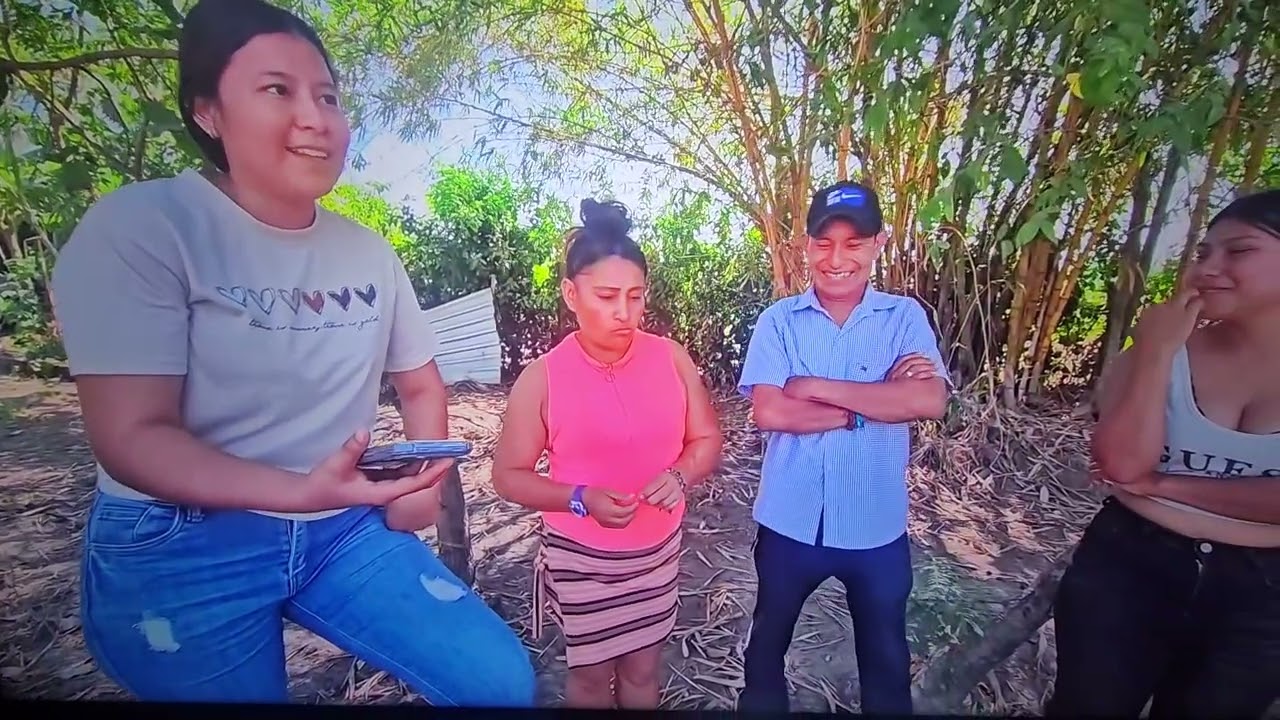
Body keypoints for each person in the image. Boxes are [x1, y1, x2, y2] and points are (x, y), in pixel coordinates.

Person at [49, 0, 534, 705]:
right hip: (180, 542)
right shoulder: (145, 228)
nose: (316, 117)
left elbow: (422, 386)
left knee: (498, 683)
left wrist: (424, 480)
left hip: (338, 527)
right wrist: (297, 491)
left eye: (328, 96)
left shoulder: (365, 252)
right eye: (278, 90)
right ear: (208, 112)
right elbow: (132, 437)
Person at [1048, 189, 1280, 718]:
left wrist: (1165, 486)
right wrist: (1155, 349)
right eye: (1202, 254)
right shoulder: (1164, 351)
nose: (1208, 268)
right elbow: (1123, 466)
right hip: (1130, 563)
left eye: (1238, 252)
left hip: (1265, 592)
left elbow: (1142, 479)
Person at [490, 199, 723, 709]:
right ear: (571, 294)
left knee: (643, 673)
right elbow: (508, 476)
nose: (625, 312)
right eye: (607, 295)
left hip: (656, 550)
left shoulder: (671, 358)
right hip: (582, 560)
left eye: (636, 297)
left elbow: (706, 439)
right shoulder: (543, 377)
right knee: (591, 680)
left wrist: (682, 475)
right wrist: (579, 498)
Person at [735, 180, 949, 714]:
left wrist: (815, 386)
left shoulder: (903, 318)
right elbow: (772, 412)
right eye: (823, 243)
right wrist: (875, 401)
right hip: (790, 521)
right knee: (766, 652)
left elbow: (929, 400)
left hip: (875, 527)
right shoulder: (778, 320)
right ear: (804, 246)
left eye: (853, 243)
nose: (836, 259)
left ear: (878, 244)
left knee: (886, 666)